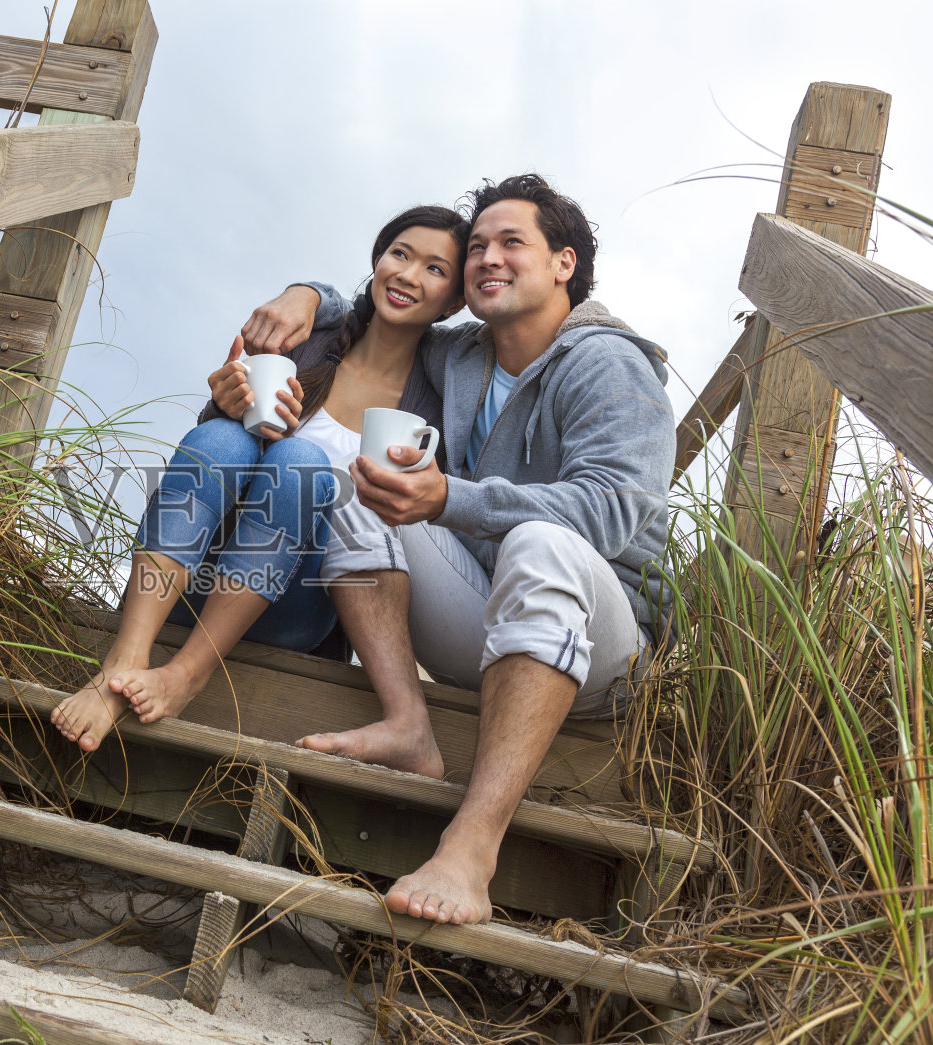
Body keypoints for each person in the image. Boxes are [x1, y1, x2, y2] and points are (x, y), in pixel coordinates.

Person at [239, 174, 676, 924]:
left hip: (605, 646)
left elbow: (610, 513)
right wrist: (306, 293)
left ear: (564, 263)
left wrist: (452, 497)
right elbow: (392, 304)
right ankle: (409, 723)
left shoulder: (610, 364)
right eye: (478, 246)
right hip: (492, 617)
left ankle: (471, 846)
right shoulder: (465, 355)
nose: (488, 258)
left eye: (513, 242)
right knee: (362, 478)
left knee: (545, 541)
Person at [50, 205, 469, 753]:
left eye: (436, 270)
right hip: (190, 581)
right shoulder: (309, 343)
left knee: (300, 463)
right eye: (401, 254)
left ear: (457, 299)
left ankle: (188, 674)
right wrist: (223, 405)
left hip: (295, 606)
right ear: (377, 259)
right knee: (224, 439)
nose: (410, 275)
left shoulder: (438, 408)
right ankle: (123, 661)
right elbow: (210, 464)